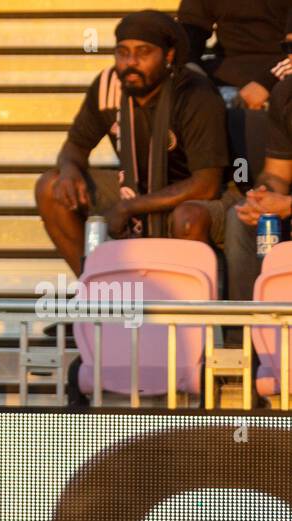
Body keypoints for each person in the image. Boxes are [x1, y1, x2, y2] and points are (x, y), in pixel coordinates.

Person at [35, 11, 231, 275]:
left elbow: (206, 185)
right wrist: (69, 169)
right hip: (134, 186)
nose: (131, 63)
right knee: (51, 187)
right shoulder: (108, 85)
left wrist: (128, 206)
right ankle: (94, 288)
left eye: (143, 52)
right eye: (122, 53)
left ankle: (193, 307)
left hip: (202, 195)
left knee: (187, 218)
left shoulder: (194, 93)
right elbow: (75, 147)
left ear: (168, 55)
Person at [226, 16, 292, 300]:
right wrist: (265, 195)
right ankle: (244, 337)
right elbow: (278, 173)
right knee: (242, 217)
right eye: (288, 49)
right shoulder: (286, 94)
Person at [177, 0, 292, 109]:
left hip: (281, 71)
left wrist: (268, 82)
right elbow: (188, 39)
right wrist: (193, 75)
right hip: (224, 70)